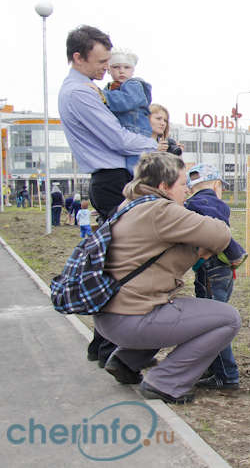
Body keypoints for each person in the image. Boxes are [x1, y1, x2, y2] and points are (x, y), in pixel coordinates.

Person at [94, 152, 240, 404]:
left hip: (110, 317)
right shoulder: (160, 209)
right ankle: (165, 382)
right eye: (183, 185)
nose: (187, 191)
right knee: (228, 319)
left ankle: (127, 361)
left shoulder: (129, 204)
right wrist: (199, 247)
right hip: (132, 320)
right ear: (163, 187)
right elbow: (220, 233)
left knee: (177, 311)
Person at [58, 25, 164, 366]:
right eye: (102, 61)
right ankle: (113, 350)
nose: (107, 68)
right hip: (112, 180)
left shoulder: (85, 89)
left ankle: (102, 347)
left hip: (111, 180)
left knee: (117, 263)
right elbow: (116, 138)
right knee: (126, 266)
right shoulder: (81, 93)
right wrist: (153, 144)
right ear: (78, 57)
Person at [185, 164, 248, 390]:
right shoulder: (217, 203)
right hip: (222, 270)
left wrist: (233, 249)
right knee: (214, 318)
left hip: (211, 268)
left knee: (213, 322)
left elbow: (214, 227)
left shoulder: (194, 204)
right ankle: (214, 367)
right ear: (216, 184)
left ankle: (227, 375)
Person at [103, 48, 154, 176]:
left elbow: (127, 100)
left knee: (135, 172)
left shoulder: (134, 84)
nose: (121, 71)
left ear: (133, 70)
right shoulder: (109, 88)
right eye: (116, 67)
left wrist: (102, 95)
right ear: (108, 69)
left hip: (136, 131)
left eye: (126, 67)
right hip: (123, 134)